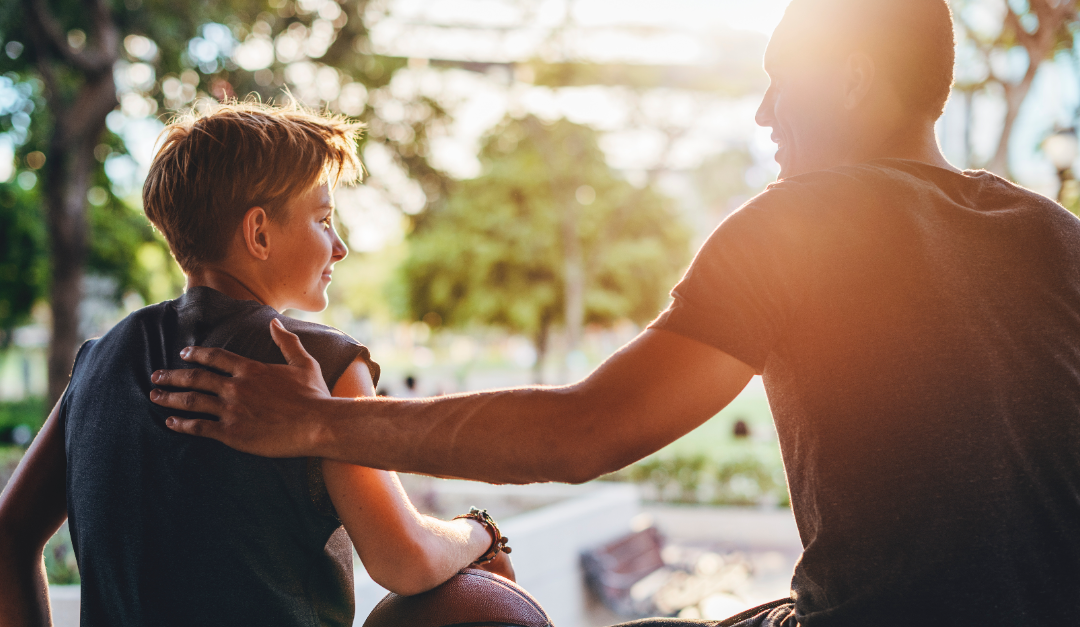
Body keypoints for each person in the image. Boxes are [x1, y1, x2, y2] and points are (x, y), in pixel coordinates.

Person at [152, 0, 1080, 625]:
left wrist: (319, 420)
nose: (762, 113)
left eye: (780, 82)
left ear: (849, 81)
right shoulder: (1052, 233)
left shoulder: (800, 221)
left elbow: (581, 434)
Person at [0, 102, 511, 627]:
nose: (341, 248)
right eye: (324, 220)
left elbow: (7, 536)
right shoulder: (317, 362)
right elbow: (407, 560)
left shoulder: (97, 360)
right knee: (492, 592)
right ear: (259, 233)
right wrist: (482, 531)